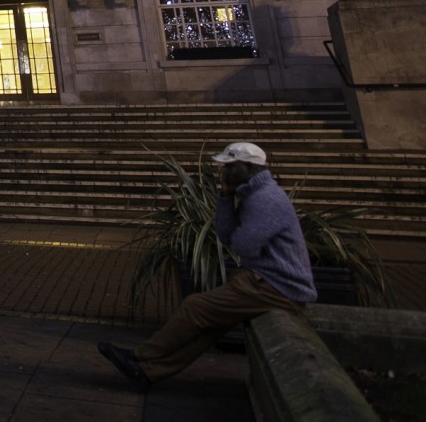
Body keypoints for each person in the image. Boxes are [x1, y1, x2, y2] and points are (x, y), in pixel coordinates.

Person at [99, 141, 316, 391]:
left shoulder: (265, 199)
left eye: (230, 166)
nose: (224, 172)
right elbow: (225, 235)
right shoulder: (252, 194)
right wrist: (225, 197)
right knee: (209, 326)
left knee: (195, 307)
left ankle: (140, 356)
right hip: (264, 280)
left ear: (248, 167)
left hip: (277, 286)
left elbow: (243, 245)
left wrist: (239, 226)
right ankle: (148, 372)